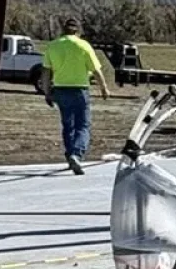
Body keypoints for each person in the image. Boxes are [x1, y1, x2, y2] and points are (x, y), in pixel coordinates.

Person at [42, 19, 112, 175]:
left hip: (60, 89)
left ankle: (69, 155)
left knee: (68, 124)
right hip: (80, 89)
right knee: (83, 125)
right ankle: (77, 153)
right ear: (78, 31)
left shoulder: (52, 46)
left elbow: (46, 72)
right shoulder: (83, 45)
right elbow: (96, 70)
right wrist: (104, 88)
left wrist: (46, 92)